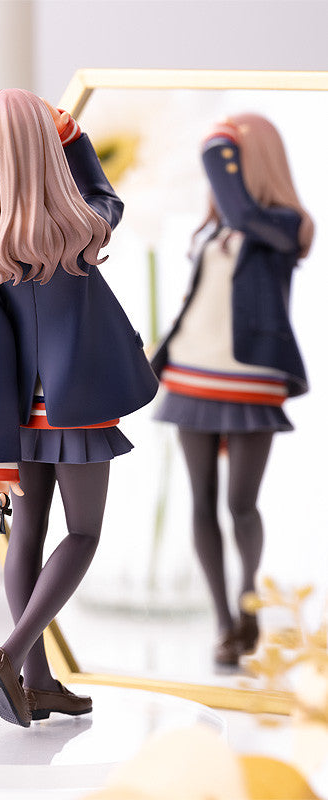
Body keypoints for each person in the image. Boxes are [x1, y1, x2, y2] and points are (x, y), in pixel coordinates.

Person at [0, 88, 158, 726]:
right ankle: (11, 657)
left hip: (18, 416)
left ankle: (36, 683)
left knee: (28, 535)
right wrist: (73, 136)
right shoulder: (79, 227)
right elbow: (105, 192)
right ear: (47, 147)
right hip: (79, 408)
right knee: (83, 533)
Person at [151, 113, 314, 667]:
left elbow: (244, 210)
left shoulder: (286, 225)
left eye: (229, 156)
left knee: (241, 504)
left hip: (251, 375)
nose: (221, 170)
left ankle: (249, 605)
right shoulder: (212, 228)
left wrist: (215, 141)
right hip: (191, 370)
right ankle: (223, 621)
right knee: (200, 501)